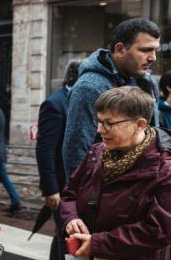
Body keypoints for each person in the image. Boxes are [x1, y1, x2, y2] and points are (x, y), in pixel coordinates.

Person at [61, 19, 171, 260]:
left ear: (141, 125)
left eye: (109, 124)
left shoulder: (163, 167)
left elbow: (158, 229)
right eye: (99, 122)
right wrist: (72, 219)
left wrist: (101, 242)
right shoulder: (97, 152)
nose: (100, 130)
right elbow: (69, 192)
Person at [63, 18, 161, 179]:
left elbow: (154, 132)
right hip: (109, 190)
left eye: (155, 50)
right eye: (145, 50)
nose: (153, 57)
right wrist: (79, 199)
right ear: (121, 49)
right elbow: (76, 152)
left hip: (147, 185)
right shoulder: (89, 87)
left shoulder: (147, 81)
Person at [35, 59, 80, 260]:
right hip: (63, 190)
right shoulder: (56, 103)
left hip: (78, 193)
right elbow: (45, 148)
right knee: (66, 251)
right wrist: (51, 188)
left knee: (66, 248)